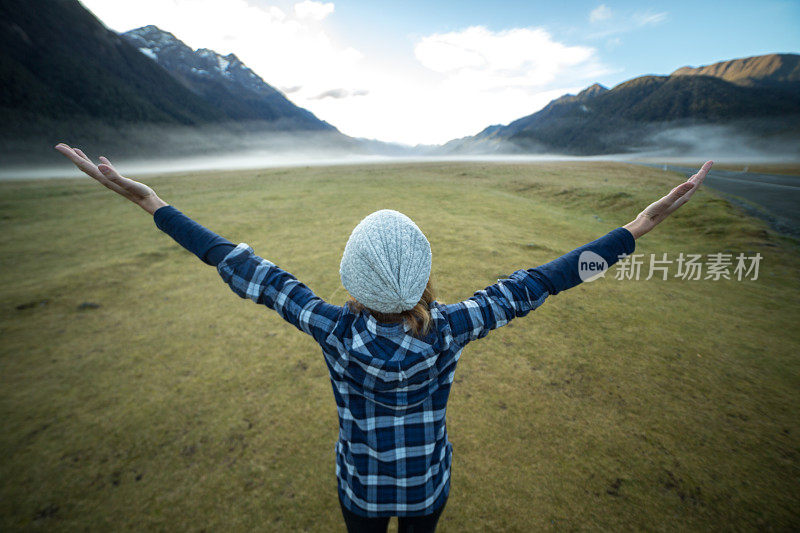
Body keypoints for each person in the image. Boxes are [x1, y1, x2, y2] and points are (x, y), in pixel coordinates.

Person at [54, 143, 712, 533]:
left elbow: (239, 265)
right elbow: (545, 280)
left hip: (361, 490)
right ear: (425, 278)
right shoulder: (453, 326)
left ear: (353, 281)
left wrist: (150, 202)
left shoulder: (332, 328)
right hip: (427, 488)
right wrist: (638, 225)